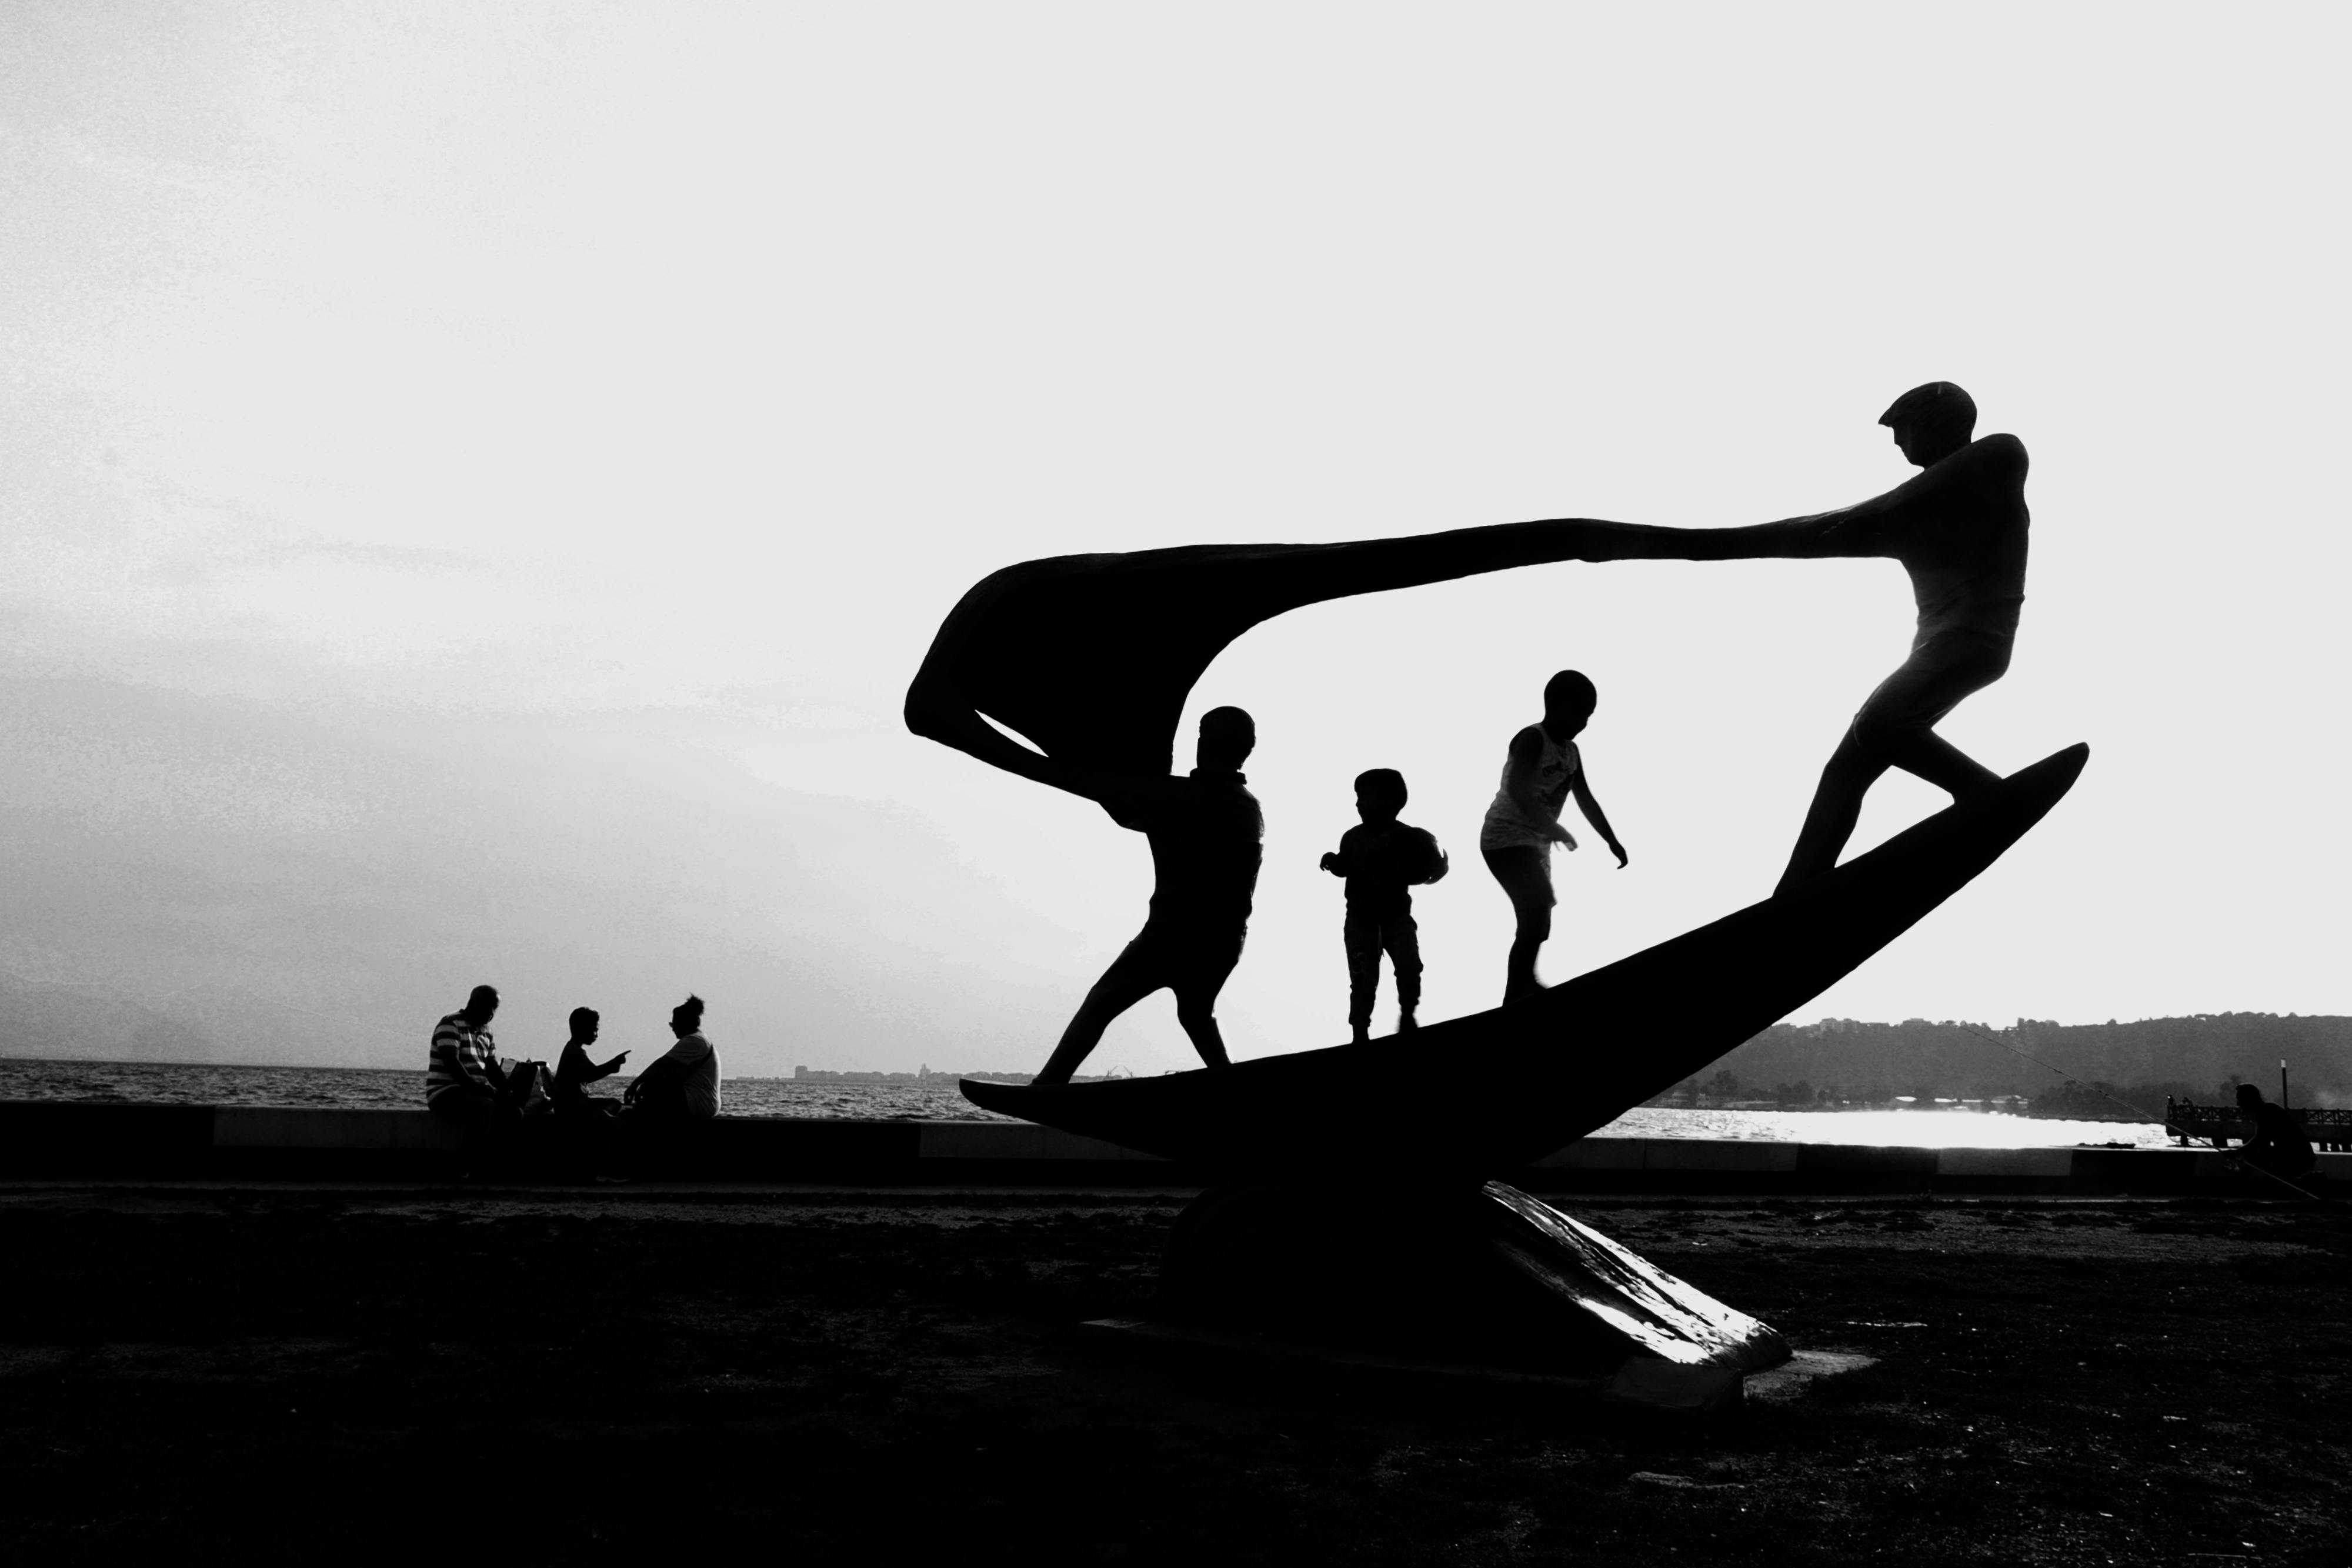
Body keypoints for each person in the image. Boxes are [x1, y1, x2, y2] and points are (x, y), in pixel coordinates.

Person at [1574, 382, 2028, 892]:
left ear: (1936, 423)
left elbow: (1861, 520)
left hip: (1969, 643)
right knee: (1846, 768)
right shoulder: (1920, 505)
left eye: (1902, 429)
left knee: (1878, 729)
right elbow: (1848, 525)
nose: (1897, 444)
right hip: (1941, 647)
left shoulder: (1996, 457)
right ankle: (1796, 892)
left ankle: (1982, 791)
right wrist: (1693, 548)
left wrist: (1695, 545)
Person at [1032, 706, 1263, 1086]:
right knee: (1196, 1013)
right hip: (1224, 942)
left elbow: (1125, 800)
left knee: (1102, 1001)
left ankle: (1048, 1085)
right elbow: (1136, 815)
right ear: (1247, 749)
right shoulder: (1245, 804)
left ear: (1204, 742)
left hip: (1172, 936)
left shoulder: (1178, 796)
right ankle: (1229, 1082)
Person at [1480, 671, 1627, 1006]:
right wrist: (1552, 827)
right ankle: (1518, 989)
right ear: (1557, 706)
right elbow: (1517, 789)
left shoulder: (1572, 753)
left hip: (1534, 845)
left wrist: (1611, 840)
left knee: (1539, 916)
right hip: (1504, 839)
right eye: (1580, 713)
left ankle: (1518, 989)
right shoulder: (1532, 739)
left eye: (1589, 716)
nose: (1584, 723)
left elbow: (1586, 799)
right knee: (1537, 906)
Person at [1319, 768, 1448, 1045]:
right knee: (1363, 980)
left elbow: (1432, 864)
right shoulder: (1352, 837)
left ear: (1389, 801)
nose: (1358, 803)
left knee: (1410, 965)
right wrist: (1333, 861)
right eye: (1358, 797)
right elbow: (1345, 866)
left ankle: (1408, 1014)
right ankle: (1360, 1032)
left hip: (1396, 918)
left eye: (1364, 797)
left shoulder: (1409, 837)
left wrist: (1436, 866)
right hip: (1360, 922)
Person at [424, 984, 515, 1147]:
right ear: (473, 1003)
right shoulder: (450, 1024)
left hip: (474, 1091)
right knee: (485, 1107)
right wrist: (478, 1088)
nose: (491, 1013)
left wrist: (506, 1090)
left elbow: (491, 1066)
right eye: (488, 1007)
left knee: (514, 1112)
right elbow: (452, 1062)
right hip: (444, 1091)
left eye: (495, 1008)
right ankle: (465, 1167)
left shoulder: (488, 1032)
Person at [623, 995, 722, 1124]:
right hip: (704, 1102)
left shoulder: (694, 1041)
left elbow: (661, 1066)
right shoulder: (702, 1039)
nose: (673, 1029)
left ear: (684, 1023)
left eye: (674, 1025)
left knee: (652, 1090)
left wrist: (635, 1085)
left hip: (699, 1103)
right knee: (653, 1087)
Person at [552, 1007, 628, 1119]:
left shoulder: (574, 1049)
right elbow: (592, 1074)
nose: (596, 1035)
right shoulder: (574, 1051)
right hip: (572, 1106)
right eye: (594, 1030)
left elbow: (591, 1074)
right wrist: (613, 1064)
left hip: (573, 1104)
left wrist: (612, 1066)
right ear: (583, 1029)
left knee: (614, 1103)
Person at [2232, 1082, 2316, 1182]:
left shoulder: (2265, 1113)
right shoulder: (2268, 1109)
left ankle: (2246, 1171)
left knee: (2252, 1151)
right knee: (2253, 1151)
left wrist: (2237, 1152)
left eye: (2239, 1099)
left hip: (2297, 1159)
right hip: (2299, 1156)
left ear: (2248, 1100)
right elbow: (2262, 1142)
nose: (2238, 1104)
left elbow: (2260, 1140)